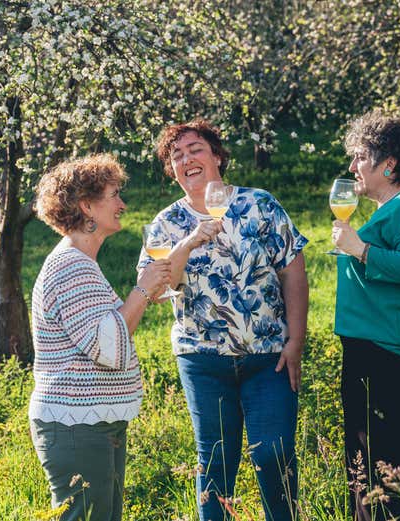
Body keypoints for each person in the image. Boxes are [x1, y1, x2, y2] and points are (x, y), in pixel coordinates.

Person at [138, 119, 309, 520]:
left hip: (268, 356)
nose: (186, 160)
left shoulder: (259, 204)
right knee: (215, 461)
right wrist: (188, 242)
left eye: (195, 149)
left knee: (275, 453)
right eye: (176, 156)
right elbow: (157, 291)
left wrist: (296, 341)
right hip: (203, 361)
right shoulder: (166, 224)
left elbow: (294, 274)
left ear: (216, 156)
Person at [29, 154, 171, 521]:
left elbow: (108, 335)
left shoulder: (81, 263)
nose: (122, 204)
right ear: (87, 206)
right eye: (114, 195)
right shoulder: (73, 265)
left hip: (90, 422)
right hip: (76, 426)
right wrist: (141, 292)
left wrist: (142, 294)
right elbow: (107, 347)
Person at [331, 110, 400, 521]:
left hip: (393, 355)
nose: (352, 167)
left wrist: (358, 249)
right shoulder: (391, 208)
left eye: (360, 157)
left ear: (389, 164)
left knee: (392, 471)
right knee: (368, 470)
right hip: (373, 352)